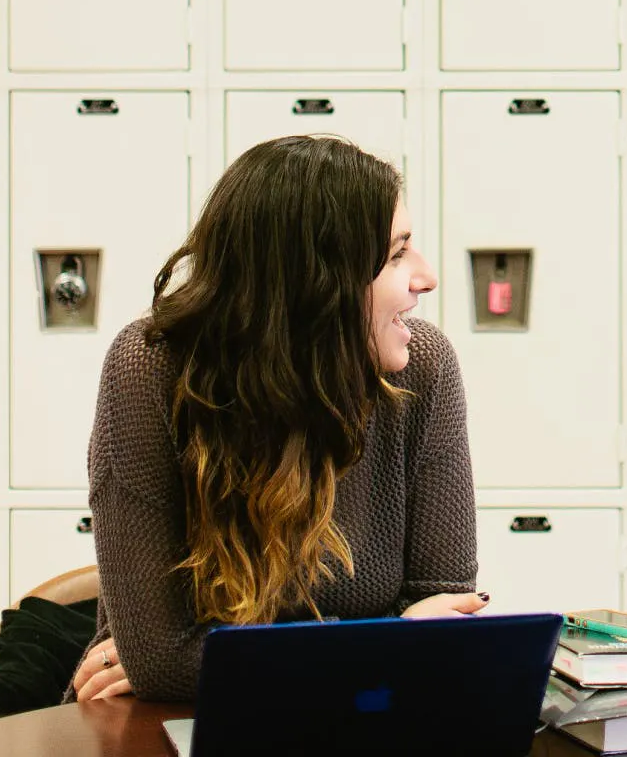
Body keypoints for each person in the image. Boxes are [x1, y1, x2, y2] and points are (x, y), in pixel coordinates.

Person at [68, 135, 485, 703]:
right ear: (313, 283)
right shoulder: (152, 366)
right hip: (171, 723)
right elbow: (163, 665)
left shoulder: (424, 366)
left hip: (358, 718)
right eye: (395, 255)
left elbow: (448, 612)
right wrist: (390, 638)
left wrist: (229, 655)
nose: (427, 277)